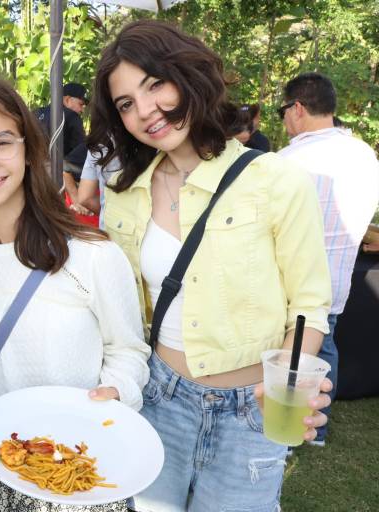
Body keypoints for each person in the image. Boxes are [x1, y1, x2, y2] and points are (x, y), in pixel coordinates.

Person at [88, 20, 333, 512]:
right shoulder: (124, 196)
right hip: (157, 400)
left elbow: (308, 305)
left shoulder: (276, 180)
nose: (146, 112)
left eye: (155, 84)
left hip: (253, 410)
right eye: (126, 104)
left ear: (188, 76)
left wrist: (288, 382)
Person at [0, 76, 150, 511]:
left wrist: (116, 391)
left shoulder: (92, 255)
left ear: (27, 147)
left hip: (83, 472)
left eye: (2, 142)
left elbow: (129, 352)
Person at [278, 71, 379, 446]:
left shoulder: (289, 159)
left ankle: (294, 429)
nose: (284, 119)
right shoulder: (364, 154)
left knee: (289, 360)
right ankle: (316, 428)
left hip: (294, 284)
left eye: (283, 110)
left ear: (298, 107)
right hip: (337, 281)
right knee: (327, 348)